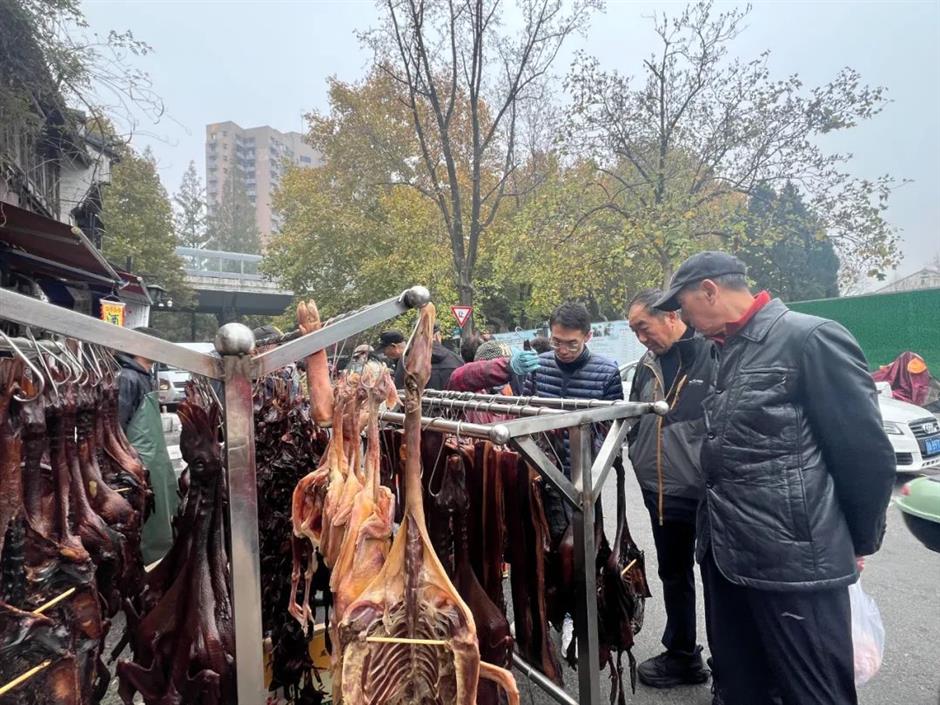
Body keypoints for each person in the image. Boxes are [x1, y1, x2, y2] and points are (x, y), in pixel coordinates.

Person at [654, 251, 895, 705]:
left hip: (793, 564)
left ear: (710, 290)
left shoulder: (810, 339)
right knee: (739, 686)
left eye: (682, 306)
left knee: (811, 692)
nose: (680, 317)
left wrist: (858, 542)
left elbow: (864, 454)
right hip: (727, 558)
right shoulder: (718, 350)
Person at [626, 289, 715, 689]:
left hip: (705, 494)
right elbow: (635, 417)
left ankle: (731, 668)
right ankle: (682, 655)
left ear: (671, 317)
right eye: (634, 331)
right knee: (673, 574)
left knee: (720, 580)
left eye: (643, 327)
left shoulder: (710, 355)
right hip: (659, 492)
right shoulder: (647, 364)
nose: (641, 338)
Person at [116, 326, 179, 564]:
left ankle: (157, 558)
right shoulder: (128, 378)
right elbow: (118, 426)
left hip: (155, 459)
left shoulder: (145, 376)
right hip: (138, 459)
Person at [395, 323, 464, 390]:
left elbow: (400, 391)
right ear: (437, 336)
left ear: (415, 337)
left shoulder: (405, 362)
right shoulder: (457, 360)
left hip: (418, 401)